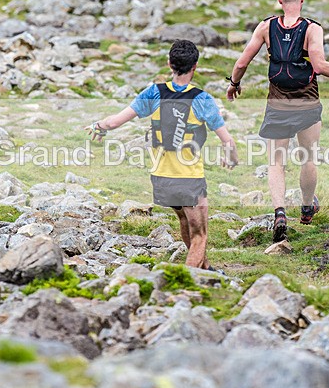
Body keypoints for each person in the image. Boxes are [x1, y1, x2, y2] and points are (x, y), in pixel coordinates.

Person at [226, 0, 329, 251]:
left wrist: (234, 84)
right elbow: (320, 65)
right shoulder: (312, 29)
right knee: (308, 157)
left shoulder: (266, 26)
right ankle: (306, 207)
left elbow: (242, 61)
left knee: (275, 161)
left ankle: (279, 212)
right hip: (307, 101)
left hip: (278, 103)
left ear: (280, 0)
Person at [87, 39, 238, 270]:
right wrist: (232, 158)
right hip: (188, 178)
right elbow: (227, 140)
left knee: (184, 220)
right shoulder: (202, 99)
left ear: (170, 64)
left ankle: (206, 271)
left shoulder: (154, 92)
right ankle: (187, 281)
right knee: (200, 234)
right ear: (195, 66)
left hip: (160, 177)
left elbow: (115, 121)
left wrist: (99, 126)